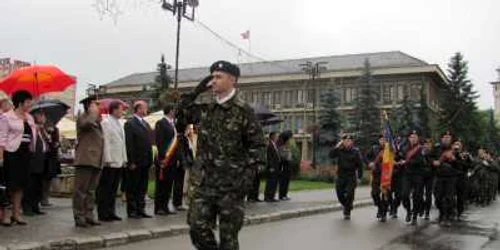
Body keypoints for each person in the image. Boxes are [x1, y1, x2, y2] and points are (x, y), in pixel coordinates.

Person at [177, 60, 265, 250]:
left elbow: (258, 148)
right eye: (211, 77)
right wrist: (194, 93)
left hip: (230, 186)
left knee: (228, 238)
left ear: (232, 80)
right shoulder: (206, 106)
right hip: (204, 182)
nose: (213, 81)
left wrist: (245, 178)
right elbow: (180, 119)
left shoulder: (243, 111)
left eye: (218, 77)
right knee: (196, 227)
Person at [0, 90, 36, 226]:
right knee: (9, 184)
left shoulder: (30, 118)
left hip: (25, 153)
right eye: (28, 102)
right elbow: (2, 138)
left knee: (21, 185)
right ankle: (5, 215)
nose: (30, 104)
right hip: (11, 153)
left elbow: (32, 135)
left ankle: (16, 214)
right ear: (20, 103)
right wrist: (1, 156)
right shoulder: (7, 117)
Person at [72, 96, 104, 227]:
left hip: (96, 159)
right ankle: (79, 216)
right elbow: (85, 125)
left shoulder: (96, 120)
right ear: (88, 106)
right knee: (81, 190)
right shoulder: (84, 117)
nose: (98, 106)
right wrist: (92, 113)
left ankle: (89, 214)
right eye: (94, 104)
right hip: (85, 158)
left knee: (91, 190)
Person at [96, 101, 127, 222]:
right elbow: (106, 142)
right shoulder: (106, 122)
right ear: (114, 110)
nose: (122, 111)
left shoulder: (120, 123)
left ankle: (111, 211)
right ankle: (103, 213)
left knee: (114, 189)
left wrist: (124, 158)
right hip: (110, 161)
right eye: (120, 109)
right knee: (106, 188)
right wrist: (107, 159)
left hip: (119, 160)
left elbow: (122, 142)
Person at [124, 100, 153, 219]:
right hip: (136, 161)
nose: (146, 109)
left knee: (142, 187)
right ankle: (132, 210)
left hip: (145, 161)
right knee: (133, 186)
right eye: (145, 107)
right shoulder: (130, 123)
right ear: (138, 109)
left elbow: (148, 143)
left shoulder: (145, 124)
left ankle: (141, 209)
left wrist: (150, 159)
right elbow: (129, 143)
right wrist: (131, 161)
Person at [154, 104, 181, 215]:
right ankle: (159, 207)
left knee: (169, 184)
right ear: (170, 111)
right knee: (162, 184)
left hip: (173, 159)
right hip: (164, 159)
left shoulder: (172, 124)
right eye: (174, 110)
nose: (175, 112)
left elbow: (176, 143)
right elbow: (160, 142)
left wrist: (177, 158)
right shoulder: (161, 123)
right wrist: (163, 157)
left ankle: (165, 206)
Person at [329, 134, 364, 220]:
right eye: (345, 141)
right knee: (340, 194)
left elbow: (360, 165)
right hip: (341, 176)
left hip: (351, 176)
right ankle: (347, 205)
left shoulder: (356, 151)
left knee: (349, 194)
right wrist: (337, 146)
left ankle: (347, 212)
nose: (347, 142)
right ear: (343, 142)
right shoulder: (340, 150)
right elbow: (331, 155)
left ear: (352, 142)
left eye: (349, 140)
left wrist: (359, 177)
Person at [22, 110, 48, 216]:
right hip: (32, 158)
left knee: (38, 184)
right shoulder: (30, 126)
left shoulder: (42, 129)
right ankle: (27, 207)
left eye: (44, 115)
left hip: (41, 159)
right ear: (35, 116)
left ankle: (35, 206)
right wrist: (35, 128)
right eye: (41, 115)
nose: (44, 117)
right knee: (30, 184)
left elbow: (47, 141)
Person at [400, 130, 426, 226]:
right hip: (407, 175)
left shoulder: (421, 148)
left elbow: (420, 161)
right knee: (404, 195)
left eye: (415, 137)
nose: (413, 139)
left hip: (418, 175)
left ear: (418, 138)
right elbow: (400, 157)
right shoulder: (404, 148)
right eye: (411, 137)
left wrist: (407, 162)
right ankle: (408, 211)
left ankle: (414, 216)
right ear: (408, 138)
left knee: (417, 196)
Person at [366, 134, 388, 222]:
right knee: (374, 194)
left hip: (386, 175)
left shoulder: (390, 149)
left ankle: (384, 214)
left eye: (384, 139)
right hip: (376, 174)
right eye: (381, 139)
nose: (382, 141)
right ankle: (380, 207)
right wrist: (369, 163)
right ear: (379, 140)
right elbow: (366, 157)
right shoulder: (374, 148)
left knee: (385, 196)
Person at [41, 120, 62, 207]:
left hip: (52, 157)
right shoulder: (42, 129)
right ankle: (42, 198)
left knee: (49, 178)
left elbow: (56, 142)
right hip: (44, 156)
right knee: (43, 178)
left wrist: (57, 143)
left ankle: (45, 198)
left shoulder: (55, 129)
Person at [452, 140, 473, 221]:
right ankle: (452, 211)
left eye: (459, 145)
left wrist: (462, 159)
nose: (457, 146)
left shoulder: (466, 155)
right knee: (450, 196)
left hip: (462, 178)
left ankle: (459, 213)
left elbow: (471, 165)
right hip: (452, 177)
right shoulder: (451, 154)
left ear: (461, 146)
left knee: (461, 197)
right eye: (455, 144)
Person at [264, 132, 281, 202]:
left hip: (276, 166)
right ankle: (268, 196)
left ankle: (272, 196)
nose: (277, 138)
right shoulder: (270, 145)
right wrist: (271, 166)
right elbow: (269, 157)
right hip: (272, 167)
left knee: (274, 182)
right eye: (276, 136)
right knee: (271, 181)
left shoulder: (274, 145)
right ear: (273, 137)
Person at [421, 138, 434, 220]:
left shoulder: (434, 153)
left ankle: (427, 212)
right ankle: (422, 207)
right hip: (421, 175)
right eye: (426, 144)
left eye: (429, 144)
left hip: (430, 175)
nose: (427, 145)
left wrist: (427, 156)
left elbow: (434, 162)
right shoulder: (420, 152)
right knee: (419, 193)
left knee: (428, 194)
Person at [278, 130, 293, 201]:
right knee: (283, 182)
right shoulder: (281, 147)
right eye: (288, 140)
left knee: (287, 181)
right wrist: (288, 156)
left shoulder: (286, 147)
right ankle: (281, 195)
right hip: (284, 166)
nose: (289, 141)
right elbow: (283, 157)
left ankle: (285, 194)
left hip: (288, 167)